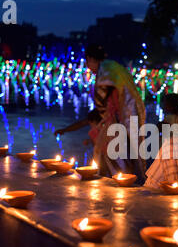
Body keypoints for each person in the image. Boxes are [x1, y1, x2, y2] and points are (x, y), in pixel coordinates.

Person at [55, 44, 147, 182]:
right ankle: (132, 181)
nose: (88, 67)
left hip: (120, 120)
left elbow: (101, 103)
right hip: (132, 115)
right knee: (132, 154)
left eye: (87, 62)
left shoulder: (105, 71)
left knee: (119, 159)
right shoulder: (114, 67)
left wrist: (105, 117)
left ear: (91, 59)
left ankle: (123, 185)